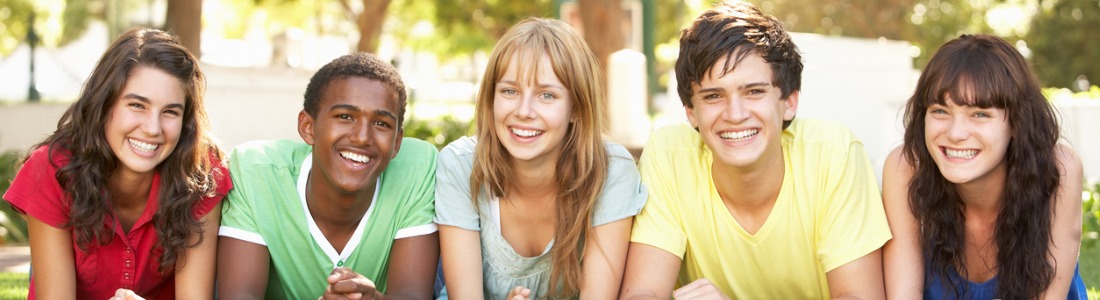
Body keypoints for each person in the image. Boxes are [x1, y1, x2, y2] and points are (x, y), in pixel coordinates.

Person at [619, 2, 891, 299]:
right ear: (691, 112)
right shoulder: (669, 155)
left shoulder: (834, 154)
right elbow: (642, 293)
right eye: (713, 96)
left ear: (789, 102)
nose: (735, 114)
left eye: (754, 92)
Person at [2, 28, 230, 299]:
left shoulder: (202, 175)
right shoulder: (52, 169)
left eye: (170, 112)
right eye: (137, 105)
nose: (152, 128)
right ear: (105, 104)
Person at [434, 17, 647, 299]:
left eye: (547, 95)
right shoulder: (461, 166)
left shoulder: (610, 171)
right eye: (509, 91)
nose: (524, 111)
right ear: (491, 97)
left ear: (577, 109)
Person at [216, 52, 439, 299]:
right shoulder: (255, 171)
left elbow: (412, 294)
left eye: (381, 124)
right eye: (345, 117)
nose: (362, 137)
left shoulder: (416, 167)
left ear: (397, 141)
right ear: (308, 127)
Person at [882, 34, 1088, 299]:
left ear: (1017, 122)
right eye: (940, 111)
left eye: (980, 114)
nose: (956, 133)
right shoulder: (906, 168)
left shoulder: (1058, 169)